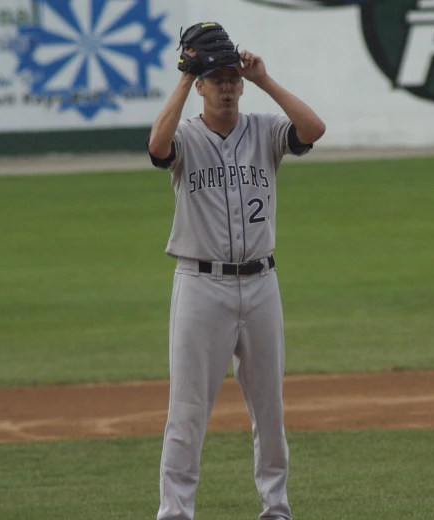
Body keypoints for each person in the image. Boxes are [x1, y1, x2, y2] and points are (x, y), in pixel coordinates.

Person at [146, 25, 326, 520]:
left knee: (269, 410)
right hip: (200, 286)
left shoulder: (266, 130)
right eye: (215, 78)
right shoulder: (185, 135)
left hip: (262, 284)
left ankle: (276, 507)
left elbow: (313, 130)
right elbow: (156, 148)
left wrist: (264, 79)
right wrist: (185, 78)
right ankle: (176, 512)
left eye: (231, 78)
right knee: (187, 411)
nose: (226, 86)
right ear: (201, 86)